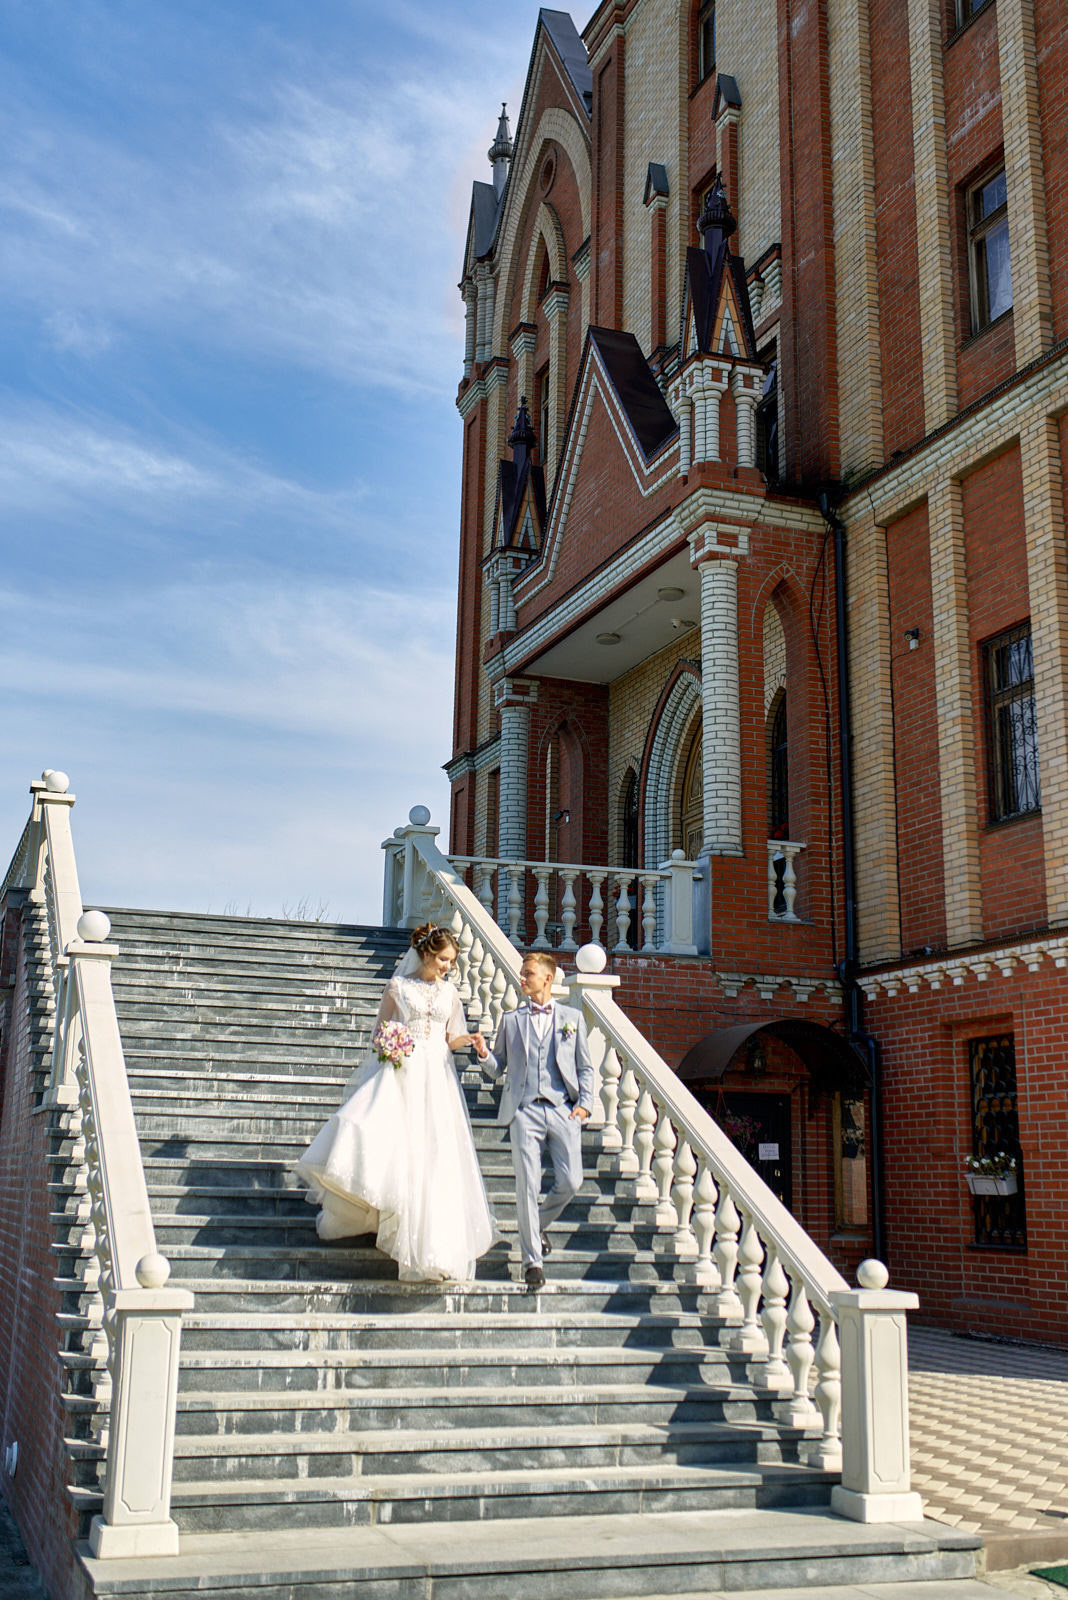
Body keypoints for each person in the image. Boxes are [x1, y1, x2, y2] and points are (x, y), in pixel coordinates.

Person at [294, 923, 497, 1283]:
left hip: (437, 1077)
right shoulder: (398, 987)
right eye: (443, 959)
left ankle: (435, 1248)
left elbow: (449, 1038)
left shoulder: (450, 993)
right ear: (426, 954)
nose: (448, 966)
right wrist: (393, 1045)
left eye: (451, 961)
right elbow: (379, 1032)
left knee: (437, 1155)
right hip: (405, 1072)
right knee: (402, 1148)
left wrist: (472, 1040)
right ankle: (397, 1219)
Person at [481, 951, 593, 1291]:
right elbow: (497, 1068)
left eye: (528, 973)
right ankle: (533, 1262)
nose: (522, 978)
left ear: (548, 978)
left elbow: (585, 1067)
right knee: (527, 1185)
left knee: (572, 1181)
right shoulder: (511, 1021)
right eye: (522, 973)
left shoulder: (572, 1017)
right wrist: (485, 1055)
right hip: (524, 1110)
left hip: (562, 1109)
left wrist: (585, 1105)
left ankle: (537, 1225)